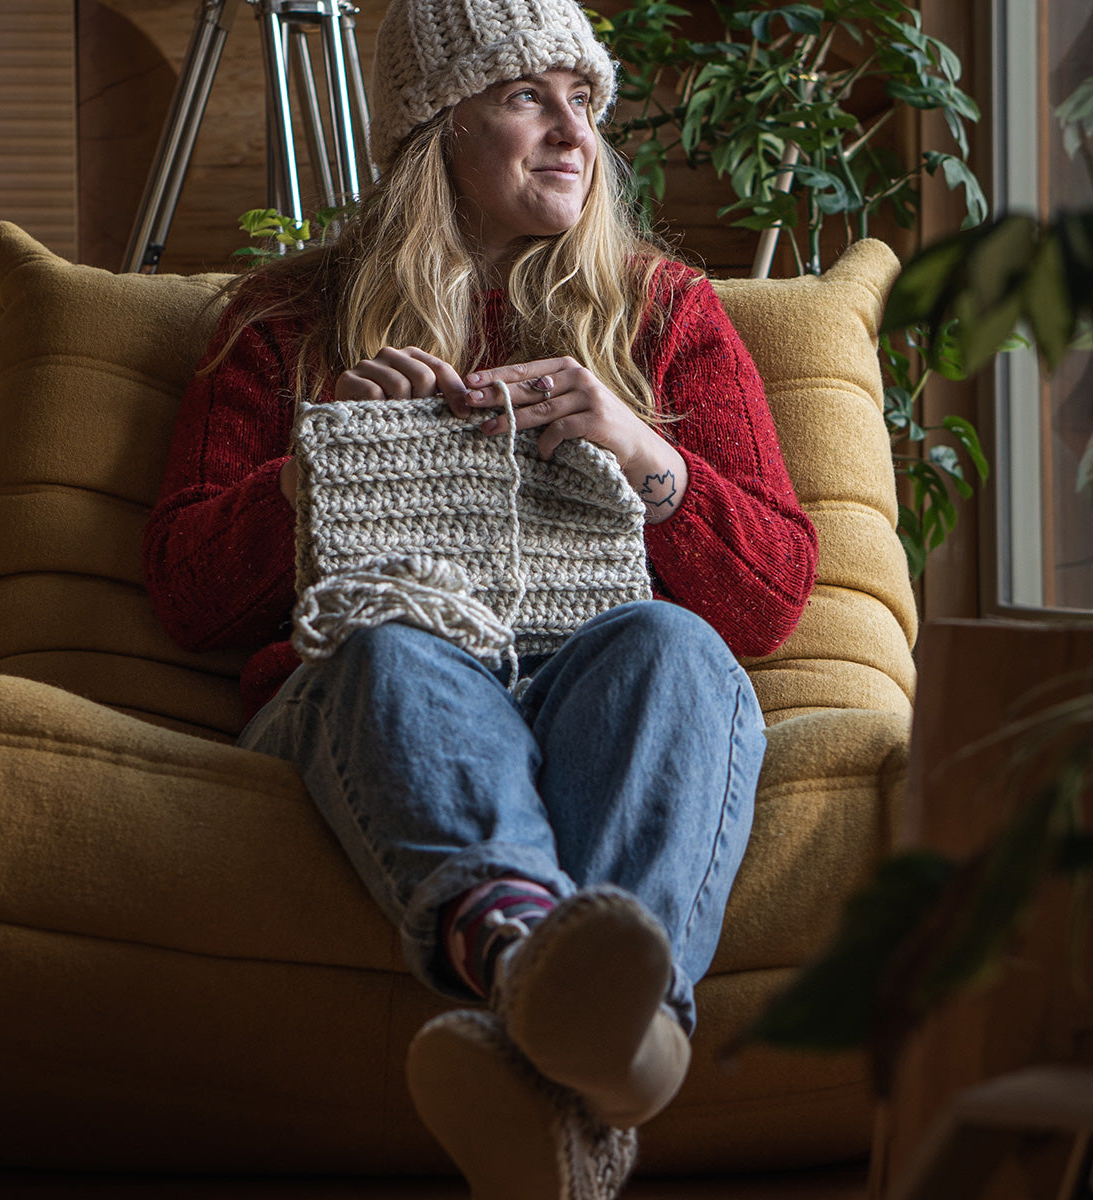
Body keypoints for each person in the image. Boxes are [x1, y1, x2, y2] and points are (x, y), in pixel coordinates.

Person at [142, 0, 818, 1192]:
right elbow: (190, 595)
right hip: (377, 691)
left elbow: (765, 601)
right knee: (396, 641)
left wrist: (648, 455)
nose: (574, 133)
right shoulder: (284, 321)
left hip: (588, 680)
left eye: (586, 102)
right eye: (526, 97)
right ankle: (587, 1019)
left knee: (673, 644)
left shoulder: (667, 314)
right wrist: (316, 467)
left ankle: (547, 1039)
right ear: (434, 128)